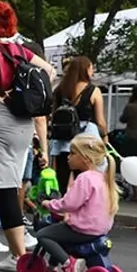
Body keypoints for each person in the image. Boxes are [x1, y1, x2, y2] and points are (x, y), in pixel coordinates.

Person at [0, 1, 52, 272]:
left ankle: (18, 255)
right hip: (23, 124)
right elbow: (49, 71)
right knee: (8, 184)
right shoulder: (20, 51)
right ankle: (16, 251)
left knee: (2, 188)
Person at [31, 134, 118, 272]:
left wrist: (48, 203)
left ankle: (68, 263)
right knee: (58, 232)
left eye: (72, 153)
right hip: (99, 230)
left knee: (44, 234)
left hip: (82, 229)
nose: (68, 157)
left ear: (85, 158)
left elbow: (69, 204)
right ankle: (51, 270)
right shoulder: (104, 179)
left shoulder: (85, 178)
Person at [49, 55, 106, 193]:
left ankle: (62, 210)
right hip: (86, 140)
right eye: (91, 68)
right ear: (85, 69)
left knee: (62, 179)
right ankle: (82, 211)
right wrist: (104, 137)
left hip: (63, 140)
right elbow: (100, 120)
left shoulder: (60, 90)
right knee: (85, 180)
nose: (92, 71)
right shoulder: (93, 90)